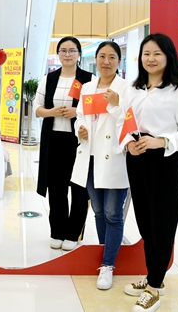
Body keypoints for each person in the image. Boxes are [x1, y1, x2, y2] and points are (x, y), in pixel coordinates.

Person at [118, 33, 178, 312]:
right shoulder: (133, 88)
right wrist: (128, 143)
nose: (150, 59)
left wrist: (161, 141)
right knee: (145, 222)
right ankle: (155, 276)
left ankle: (153, 287)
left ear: (168, 57)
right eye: (146, 54)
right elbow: (122, 120)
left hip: (164, 161)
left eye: (157, 54)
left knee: (162, 224)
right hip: (136, 158)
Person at [71, 41, 129, 290]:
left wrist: (117, 103)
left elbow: (131, 121)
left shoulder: (126, 88)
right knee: (97, 211)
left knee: (113, 213)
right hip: (90, 157)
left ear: (119, 61)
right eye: (102, 56)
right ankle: (108, 253)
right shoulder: (87, 87)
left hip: (114, 158)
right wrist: (80, 128)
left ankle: (107, 264)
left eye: (112, 57)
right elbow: (80, 116)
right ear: (95, 59)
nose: (106, 61)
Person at [34, 36, 94, 251]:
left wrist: (76, 112)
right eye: (63, 50)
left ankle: (73, 233)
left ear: (79, 54)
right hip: (53, 140)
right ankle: (57, 231)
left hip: (78, 141)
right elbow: (37, 108)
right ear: (58, 54)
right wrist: (52, 112)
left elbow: (96, 109)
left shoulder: (89, 79)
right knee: (56, 189)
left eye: (72, 50)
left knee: (79, 188)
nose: (67, 54)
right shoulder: (49, 79)